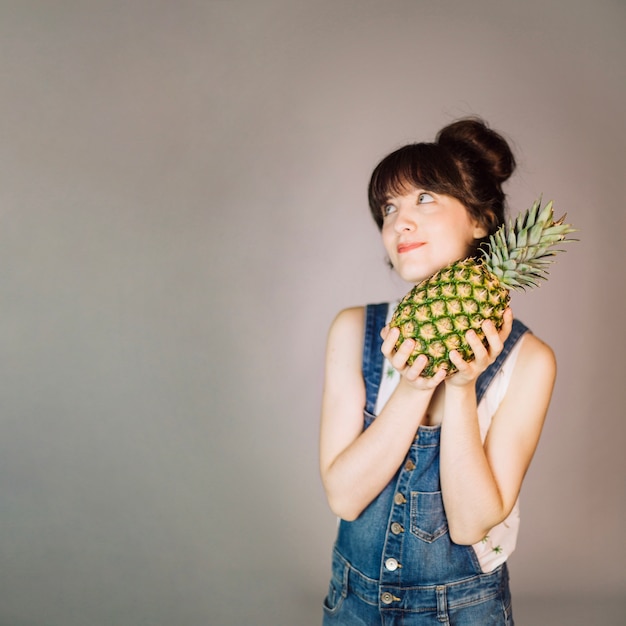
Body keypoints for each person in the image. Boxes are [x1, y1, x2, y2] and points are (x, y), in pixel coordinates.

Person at [319, 118, 556, 625]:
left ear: (480, 220)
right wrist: (412, 386)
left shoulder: (530, 361)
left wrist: (463, 386)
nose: (399, 222)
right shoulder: (354, 330)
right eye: (388, 208)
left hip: (464, 611)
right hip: (354, 605)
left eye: (424, 198)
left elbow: (472, 524)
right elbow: (343, 495)